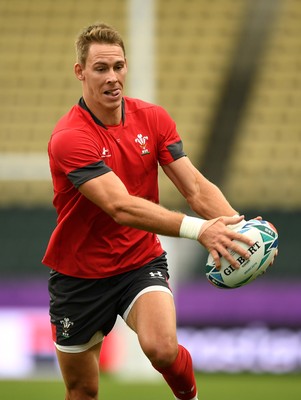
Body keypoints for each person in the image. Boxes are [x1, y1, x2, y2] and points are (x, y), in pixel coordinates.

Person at [43, 22, 257, 400]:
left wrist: (241, 234)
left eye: (119, 67)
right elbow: (119, 206)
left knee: (161, 348)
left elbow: (194, 186)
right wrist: (201, 230)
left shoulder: (153, 119)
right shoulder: (69, 138)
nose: (113, 78)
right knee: (82, 390)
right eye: (101, 68)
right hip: (79, 275)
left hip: (138, 262)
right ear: (80, 72)